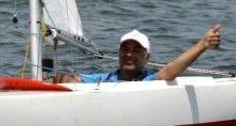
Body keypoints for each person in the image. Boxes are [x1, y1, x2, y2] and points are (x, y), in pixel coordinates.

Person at [57, 25, 221, 83]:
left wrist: (203, 45)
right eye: (125, 49)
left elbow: (169, 72)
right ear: (119, 54)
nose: (129, 54)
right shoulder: (105, 78)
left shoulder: (149, 80)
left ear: (147, 57)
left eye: (136, 50)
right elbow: (72, 79)